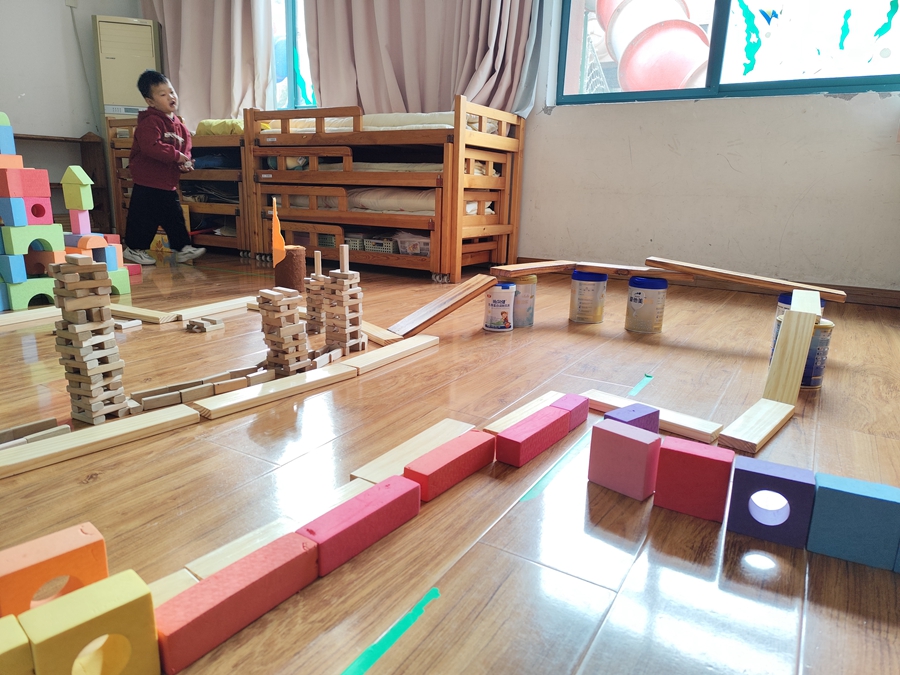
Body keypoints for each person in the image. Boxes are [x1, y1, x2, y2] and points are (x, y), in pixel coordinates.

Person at [122, 70, 206, 265]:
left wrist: (185, 162)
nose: (170, 97)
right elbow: (151, 146)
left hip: (167, 183)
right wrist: (177, 156)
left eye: (171, 92)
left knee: (174, 217)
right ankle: (134, 249)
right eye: (162, 94)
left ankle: (182, 248)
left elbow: (186, 148)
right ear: (150, 102)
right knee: (143, 218)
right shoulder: (150, 123)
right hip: (147, 182)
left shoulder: (180, 126)